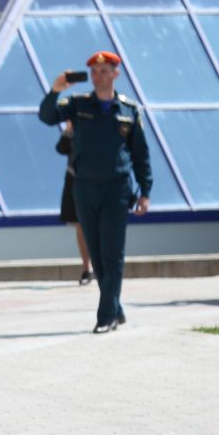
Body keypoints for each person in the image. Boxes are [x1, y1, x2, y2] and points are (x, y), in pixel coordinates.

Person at [40, 52, 151, 333]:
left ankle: (106, 317)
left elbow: (141, 154)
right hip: (85, 189)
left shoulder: (128, 110)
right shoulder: (77, 105)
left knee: (113, 254)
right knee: (98, 255)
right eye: (95, 72)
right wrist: (55, 90)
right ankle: (116, 307)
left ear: (116, 74)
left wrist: (145, 191)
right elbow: (47, 116)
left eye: (104, 71)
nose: (98, 76)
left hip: (116, 189)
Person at [56, 125, 94, 285]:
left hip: (97, 180)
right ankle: (87, 268)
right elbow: (61, 148)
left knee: (97, 226)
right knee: (80, 225)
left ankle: (101, 266)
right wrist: (68, 130)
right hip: (75, 180)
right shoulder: (74, 130)